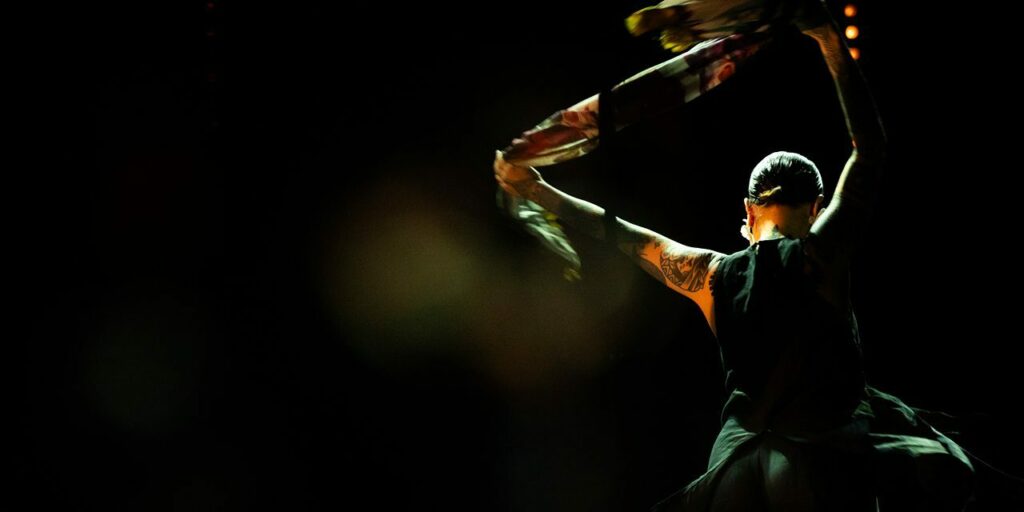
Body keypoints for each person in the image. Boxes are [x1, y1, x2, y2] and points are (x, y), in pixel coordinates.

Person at [493, 4, 975, 511]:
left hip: (738, 470)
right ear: (815, 208)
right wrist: (829, 44)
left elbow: (619, 234)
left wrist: (541, 189)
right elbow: (869, 148)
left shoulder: (710, 275)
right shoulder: (822, 253)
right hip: (823, 454)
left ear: (748, 210)